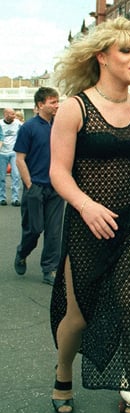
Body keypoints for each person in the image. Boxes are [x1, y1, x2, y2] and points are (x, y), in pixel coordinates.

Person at [48, 17, 130, 413]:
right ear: (102, 57)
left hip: (128, 226)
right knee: (78, 316)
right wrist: (86, 205)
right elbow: (59, 172)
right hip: (85, 226)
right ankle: (63, 375)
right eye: (126, 51)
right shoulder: (75, 108)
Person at [14, 87, 64, 286]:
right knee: (34, 229)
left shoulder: (60, 127)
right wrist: (29, 184)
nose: (56, 105)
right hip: (35, 187)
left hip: (56, 188)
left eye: (57, 101)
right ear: (40, 105)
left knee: (54, 232)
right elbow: (19, 159)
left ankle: (49, 269)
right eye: (52, 102)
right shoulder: (28, 128)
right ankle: (22, 252)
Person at [0, 107, 22, 206]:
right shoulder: (0, 124)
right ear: (5, 114)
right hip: (2, 153)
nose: (14, 116)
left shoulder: (18, 123)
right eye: (12, 114)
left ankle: (15, 198)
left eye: (14, 114)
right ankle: (2, 198)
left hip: (14, 152)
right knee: (1, 177)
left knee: (16, 175)